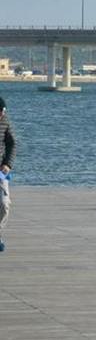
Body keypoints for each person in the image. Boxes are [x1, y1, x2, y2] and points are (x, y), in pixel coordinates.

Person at [0, 97, 16, 253]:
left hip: (0, 171)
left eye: (3, 112)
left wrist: (8, 164)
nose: (1, 115)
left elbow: (12, 143)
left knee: (5, 204)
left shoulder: (5, 121)